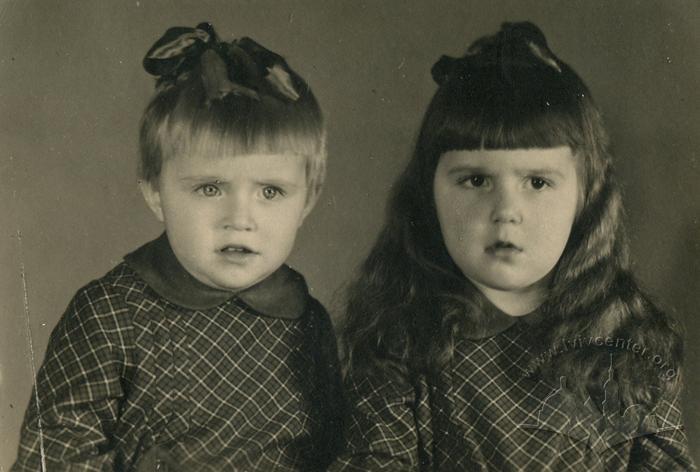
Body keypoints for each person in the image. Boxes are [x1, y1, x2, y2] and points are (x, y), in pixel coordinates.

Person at [331, 22, 695, 470]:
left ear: (587, 196)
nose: (506, 210)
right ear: (429, 193)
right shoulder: (401, 339)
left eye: (537, 182)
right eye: (476, 180)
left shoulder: (628, 338)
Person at [12, 22, 342, 471]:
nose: (240, 219)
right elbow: (59, 455)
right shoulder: (109, 314)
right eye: (209, 188)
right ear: (154, 192)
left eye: (270, 192)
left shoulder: (309, 323)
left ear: (308, 200)